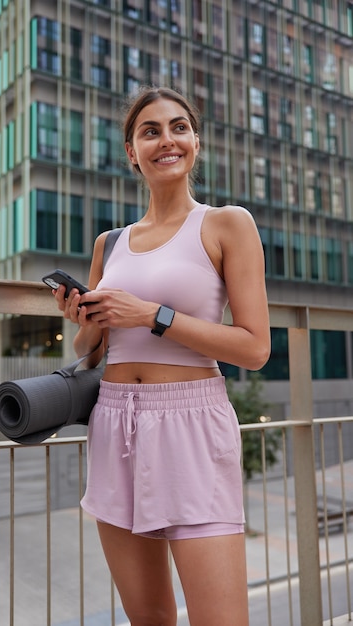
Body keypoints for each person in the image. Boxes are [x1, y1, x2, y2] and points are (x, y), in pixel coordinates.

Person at [54, 86, 270, 626]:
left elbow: (255, 348)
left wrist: (153, 314)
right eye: (150, 131)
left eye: (178, 127)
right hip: (114, 421)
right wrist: (84, 322)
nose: (166, 140)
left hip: (191, 422)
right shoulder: (111, 242)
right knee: (148, 619)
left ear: (195, 141)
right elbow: (91, 350)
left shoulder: (226, 224)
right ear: (132, 151)